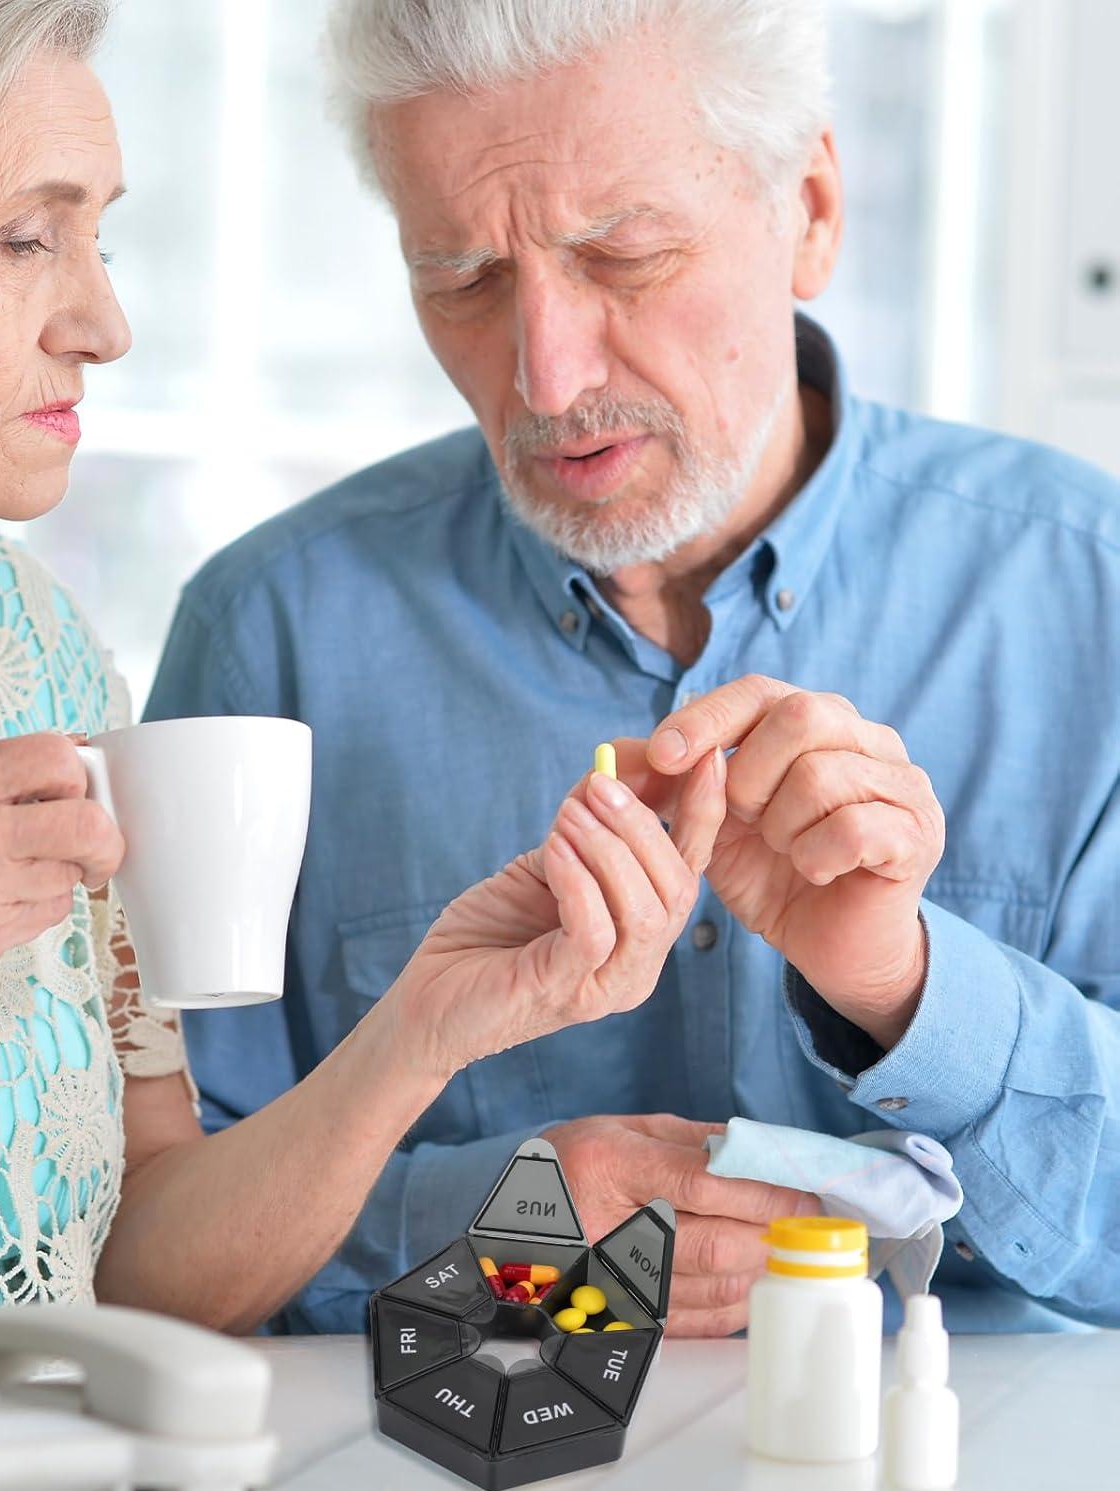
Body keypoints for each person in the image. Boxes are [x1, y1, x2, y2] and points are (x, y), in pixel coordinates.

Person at [0, 0, 789, 1398]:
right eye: (24, 239)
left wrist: (423, 1033)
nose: (105, 323)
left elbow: (141, 1270)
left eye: (99, 236)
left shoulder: (27, 651)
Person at [146, 0, 1120, 1336]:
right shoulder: (271, 635)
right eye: (464, 280)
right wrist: (494, 1228)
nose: (546, 377)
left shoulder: (1092, 594)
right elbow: (145, 1249)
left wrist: (908, 989)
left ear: (816, 211)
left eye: (626, 255)